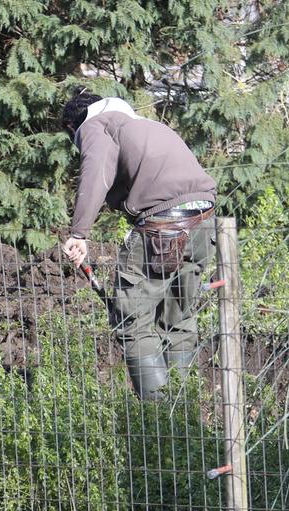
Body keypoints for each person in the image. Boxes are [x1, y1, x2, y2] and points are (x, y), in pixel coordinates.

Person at [58, 88, 218, 401]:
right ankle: (184, 415)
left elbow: (96, 175)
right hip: (205, 222)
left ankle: (159, 421)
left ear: (73, 128)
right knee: (179, 318)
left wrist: (79, 234)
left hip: (163, 228)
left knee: (132, 321)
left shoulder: (96, 125)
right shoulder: (146, 126)